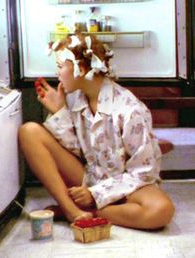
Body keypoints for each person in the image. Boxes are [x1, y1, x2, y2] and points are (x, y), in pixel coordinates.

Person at [19, 32, 175, 229]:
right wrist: (60, 112)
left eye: (60, 67)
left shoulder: (130, 110)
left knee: (161, 210)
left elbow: (144, 173)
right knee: (29, 131)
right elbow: (75, 150)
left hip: (126, 187)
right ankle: (71, 211)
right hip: (88, 177)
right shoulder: (74, 98)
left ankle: (92, 213)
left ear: (81, 69)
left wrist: (96, 195)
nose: (57, 74)